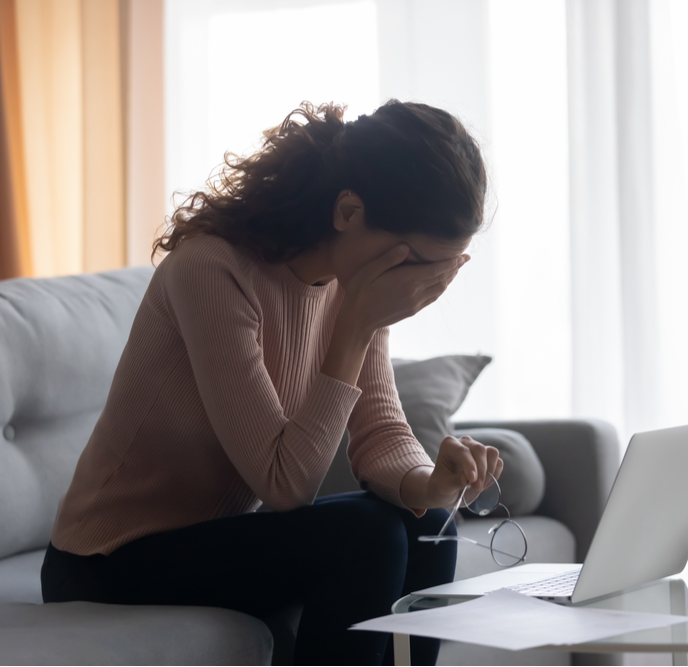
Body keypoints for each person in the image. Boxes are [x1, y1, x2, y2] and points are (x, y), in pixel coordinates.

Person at [40, 100, 501, 665]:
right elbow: (286, 485)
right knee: (365, 535)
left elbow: (379, 430)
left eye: (445, 270)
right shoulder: (212, 270)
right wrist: (356, 323)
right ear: (348, 211)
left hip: (218, 541)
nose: (420, 288)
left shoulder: (351, 283)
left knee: (430, 524)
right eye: (416, 262)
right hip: (109, 558)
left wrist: (432, 484)